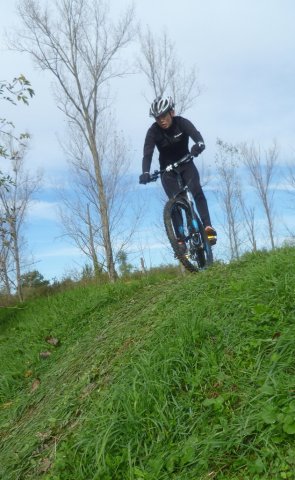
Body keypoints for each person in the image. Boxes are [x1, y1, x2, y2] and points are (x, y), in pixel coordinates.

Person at [139, 95, 217, 250]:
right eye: (157, 118)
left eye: (163, 116)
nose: (161, 120)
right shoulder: (153, 131)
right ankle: (180, 239)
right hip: (167, 170)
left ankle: (207, 227)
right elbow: (147, 153)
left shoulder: (182, 123)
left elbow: (197, 136)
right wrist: (145, 172)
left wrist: (199, 145)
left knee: (196, 190)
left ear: (171, 113)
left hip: (186, 162)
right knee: (175, 201)